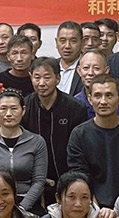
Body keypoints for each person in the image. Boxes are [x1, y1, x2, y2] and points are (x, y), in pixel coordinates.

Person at [67, 75, 119, 209]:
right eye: (97, 96)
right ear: (90, 99)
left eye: (109, 96)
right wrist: (95, 209)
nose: (103, 101)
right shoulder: (79, 135)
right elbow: (79, 176)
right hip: (90, 206)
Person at [23, 57, 87, 207]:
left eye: (47, 77)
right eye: (37, 77)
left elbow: (80, 150)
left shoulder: (75, 108)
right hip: (33, 180)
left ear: (58, 78)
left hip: (67, 177)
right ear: (31, 77)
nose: (41, 83)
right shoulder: (25, 106)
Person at [0, 90, 48, 214]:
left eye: (14, 108)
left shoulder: (37, 141)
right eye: (3, 108)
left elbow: (39, 181)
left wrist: (22, 208)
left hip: (27, 202)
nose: (8, 114)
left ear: (23, 110)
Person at [73, 50, 119, 130]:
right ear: (79, 71)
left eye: (96, 68)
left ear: (106, 70)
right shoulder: (76, 103)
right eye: (86, 68)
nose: (90, 73)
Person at [55, 21, 85, 95]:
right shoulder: (50, 67)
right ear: (56, 42)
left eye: (73, 41)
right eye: (62, 41)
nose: (67, 46)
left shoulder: (87, 68)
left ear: (82, 43)